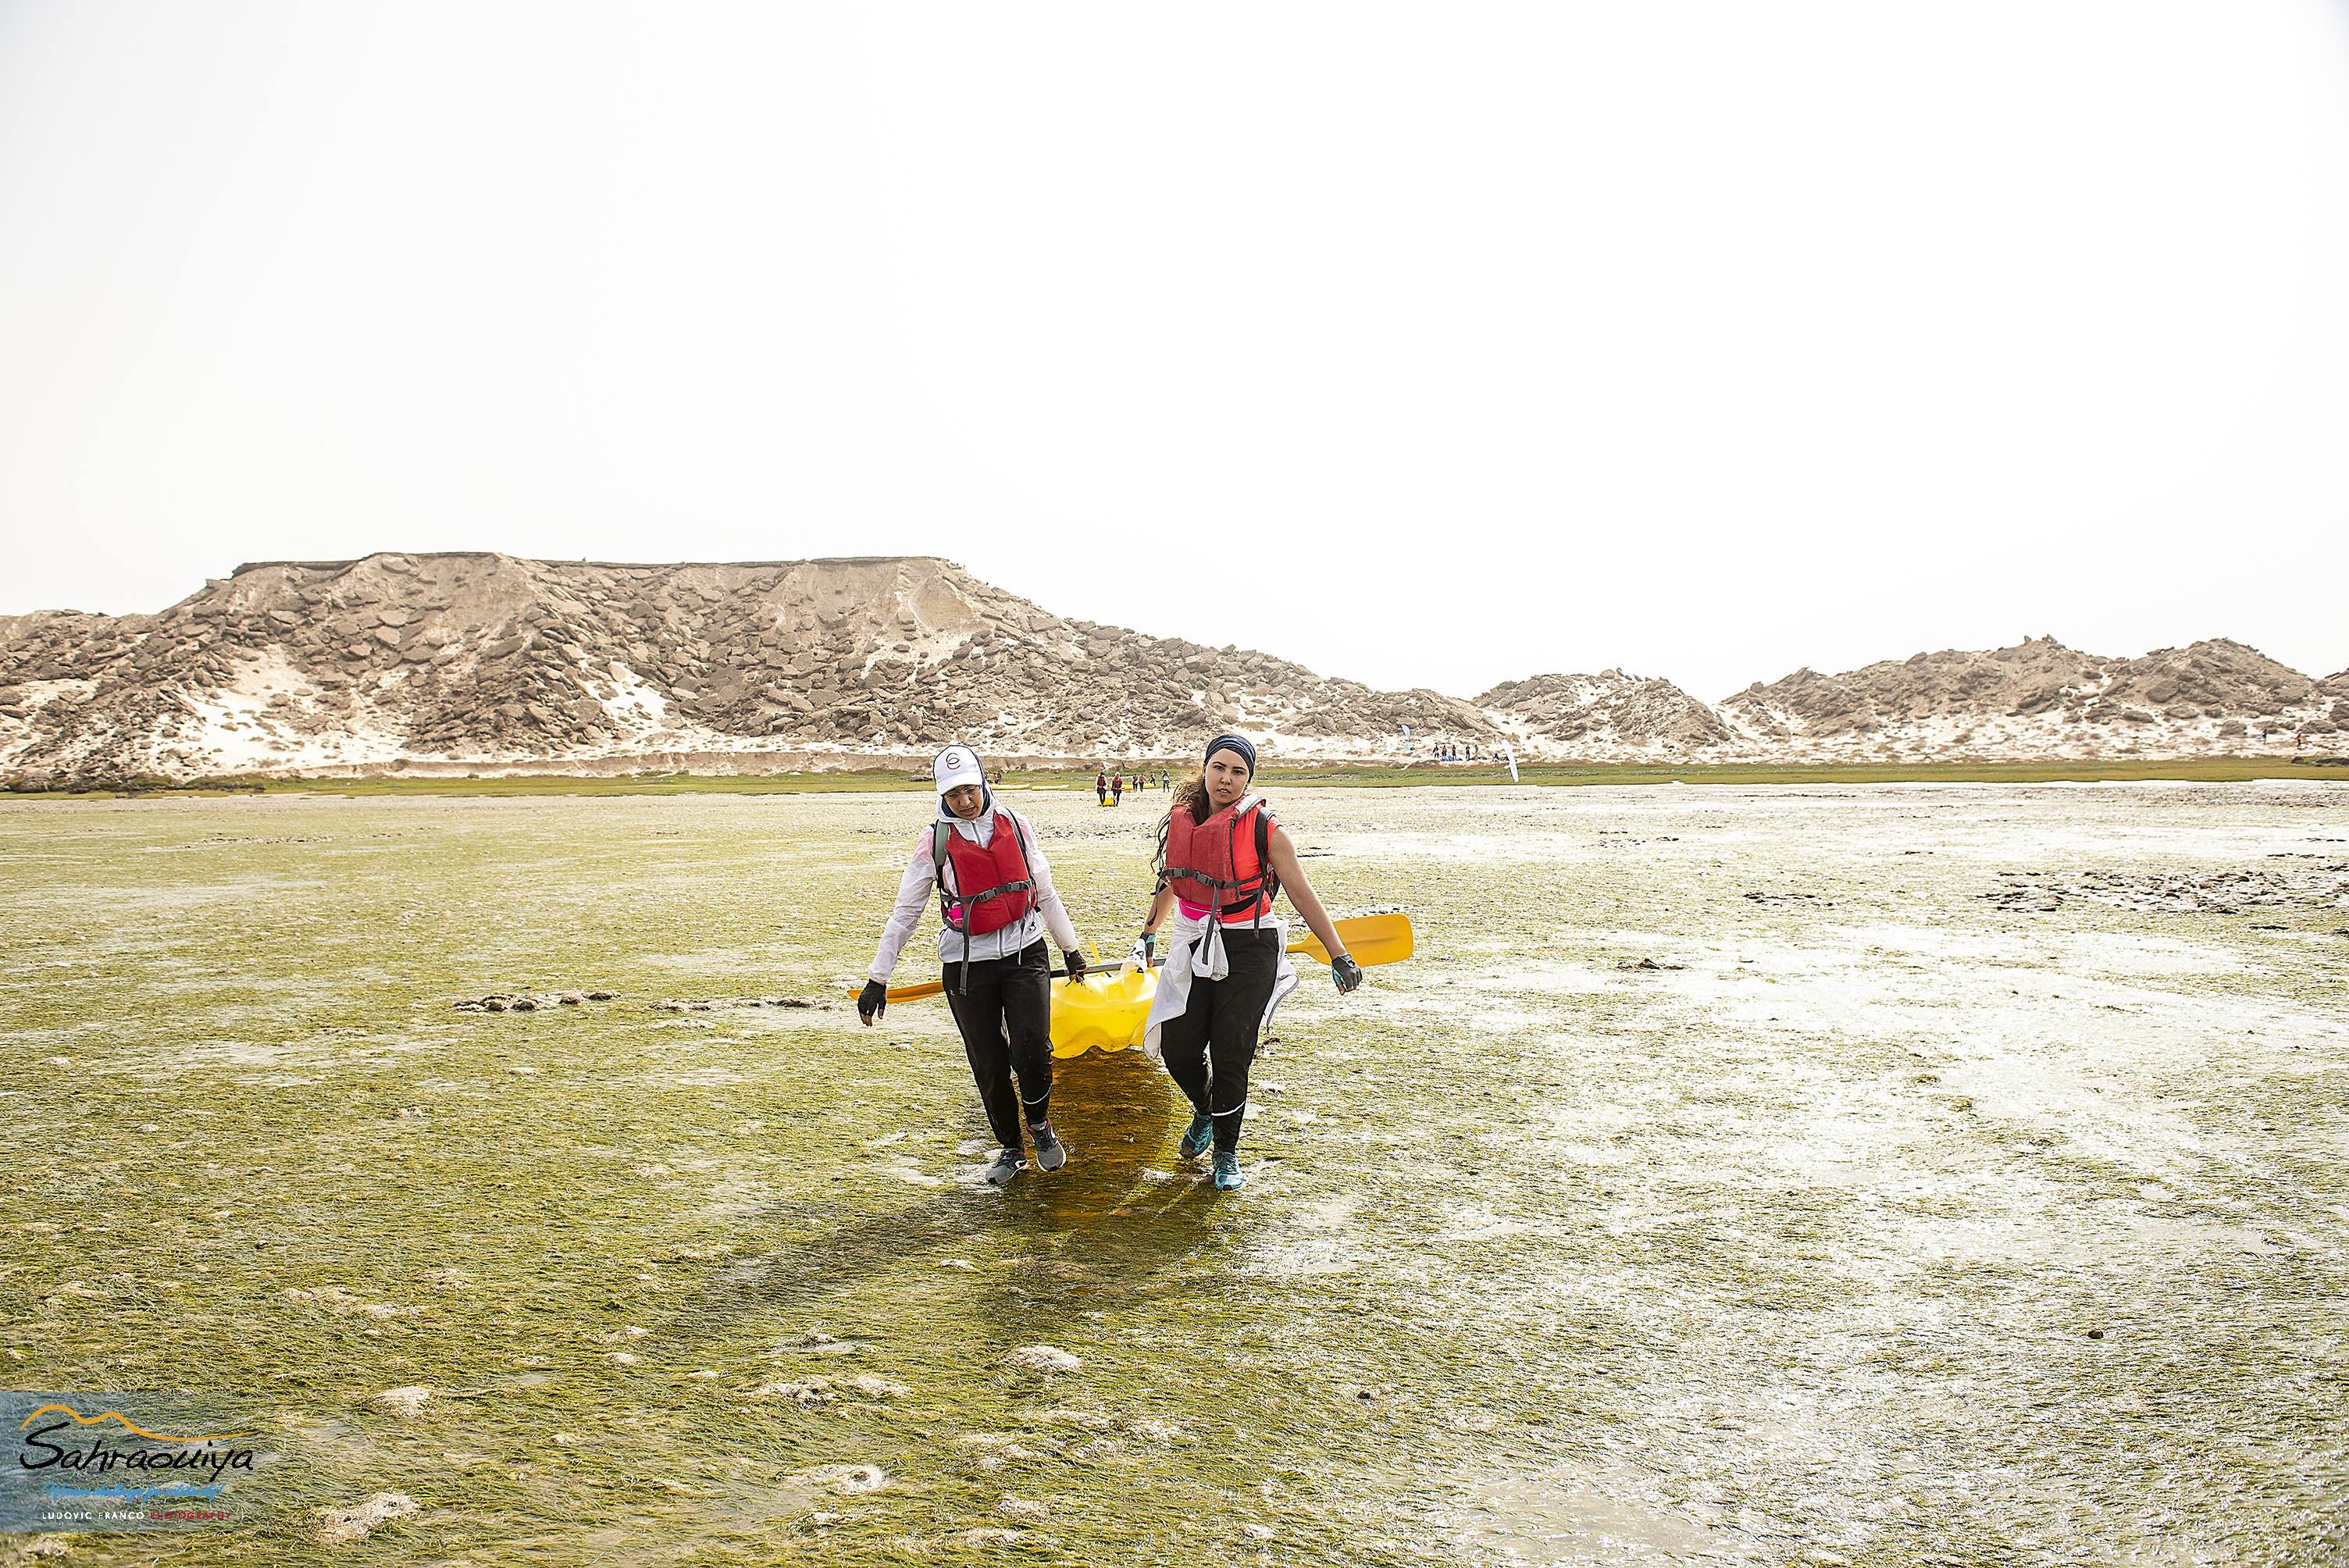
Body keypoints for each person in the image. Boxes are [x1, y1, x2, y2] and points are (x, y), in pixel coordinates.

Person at [1129, 733, 1362, 1192]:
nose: (1227, 779)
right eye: (1219, 767)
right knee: (1177, 1046)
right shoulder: (1184, 822)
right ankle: (1206, 1109)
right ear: (1205, 769)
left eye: (1238, 771)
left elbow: (1300, 891)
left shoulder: (1266, 831)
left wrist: (1338, 952)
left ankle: (1226, 1153)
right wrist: (1149, 933)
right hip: (1193, 941)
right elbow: (1173, 881)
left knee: (1232, 1050)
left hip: (1251, 947)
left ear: (1249, 778)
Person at [858, 745, 1090, 1185]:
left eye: (969, 789)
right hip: (967, 968)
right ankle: (1010, 1147)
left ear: (984, 781)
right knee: (988, 1062)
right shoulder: (934, 842)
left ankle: (1039, 1126)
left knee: (1032, 1051)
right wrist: (878, 979)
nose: (964, 802)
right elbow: (905, 913)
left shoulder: (1017, 826)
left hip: (1025, 953)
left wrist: (1070, 949)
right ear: (941, 797)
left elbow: (1046, 892)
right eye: (952, 795)